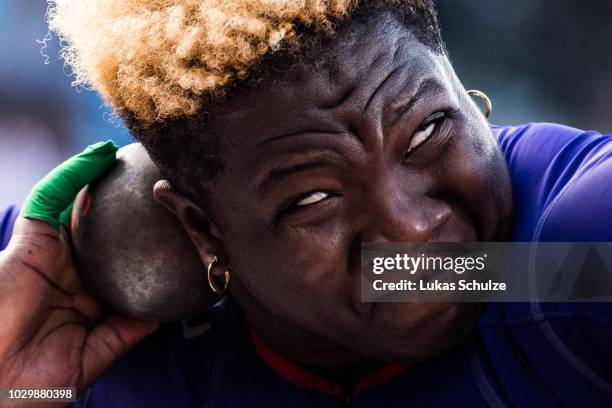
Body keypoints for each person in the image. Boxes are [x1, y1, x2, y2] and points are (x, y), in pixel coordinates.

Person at [0, 0, 611, 406]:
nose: (413, 228)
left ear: (467, 95)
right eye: (313, 199)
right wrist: (23, 394)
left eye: (426, 132)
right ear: (202, 232)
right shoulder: (53, 310)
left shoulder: (572, 248)